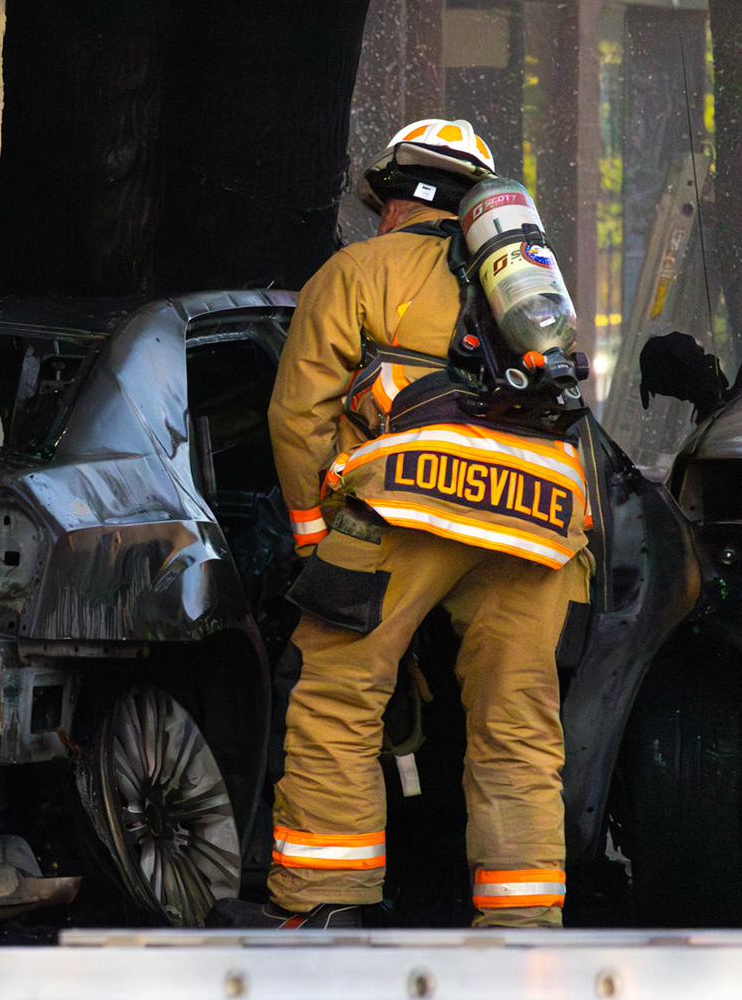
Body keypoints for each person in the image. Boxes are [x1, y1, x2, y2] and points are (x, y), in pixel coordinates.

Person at [211, 119, 593, 930]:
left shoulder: (358, 268)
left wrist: (318, 538)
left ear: (389, 200)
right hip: (542, 524)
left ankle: (323, 911)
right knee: (518, 729)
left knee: (339, 700)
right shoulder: (526, 297)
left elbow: (299, 415)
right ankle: (523, 935)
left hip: (406, 503)